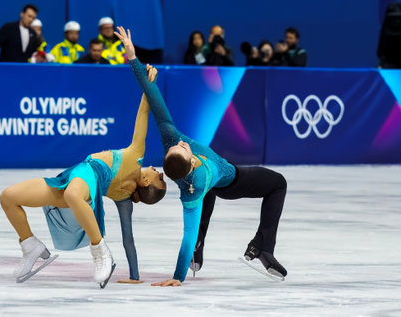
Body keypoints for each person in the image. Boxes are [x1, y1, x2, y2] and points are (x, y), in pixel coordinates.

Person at [115, 26, 288, 286]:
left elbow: (153, 96)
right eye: (184, 149)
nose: (183, 143)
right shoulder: (197, 183)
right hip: (230, 180)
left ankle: (200, 247)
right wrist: (177, 277)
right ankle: (263, 248)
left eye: (176, 146)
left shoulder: (171, 139)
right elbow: (186, 233)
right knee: (278, 183)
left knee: (206, 196)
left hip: (205, 186)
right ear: (192, 160)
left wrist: (132, 58)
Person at [0, 65, 167, 286]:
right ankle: (30, 245)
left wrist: (135, 277)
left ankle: (99, 251)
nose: (157, 170)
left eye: (158, 176)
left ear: (145, 182)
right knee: (8, 197)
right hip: (74, 179)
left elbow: (129, 238)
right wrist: (149, 82)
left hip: (82, 186)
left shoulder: (134, 164)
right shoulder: (133, 161)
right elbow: (145, 109)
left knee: (73, 195)